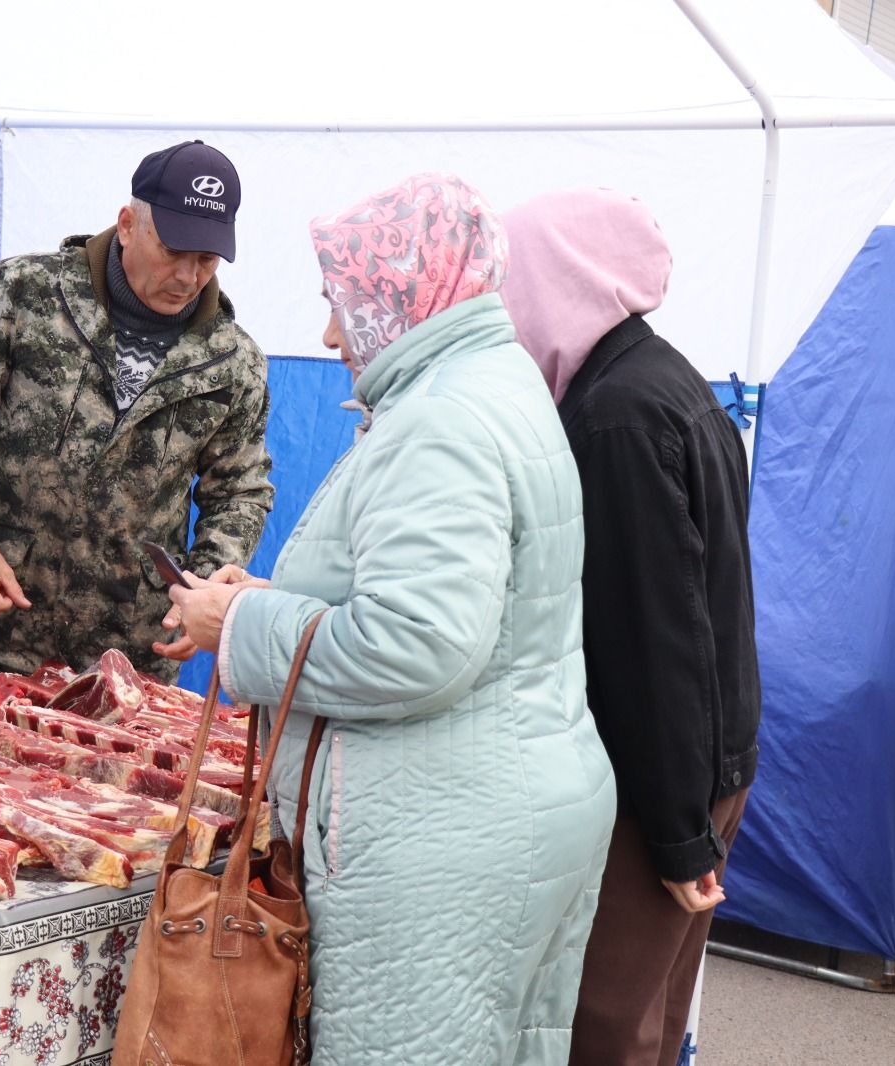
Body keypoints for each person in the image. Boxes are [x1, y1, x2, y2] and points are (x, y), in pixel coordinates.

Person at [165, 173, 616, 1065]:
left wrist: (240, 629)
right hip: (505, 801)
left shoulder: (440, 421)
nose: (330, 333)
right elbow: (452, 603)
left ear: (398, 295)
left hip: (438, 839)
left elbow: (417, 647)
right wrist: (262, 603)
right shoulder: (488, 383)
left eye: (342, 304)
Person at [500, 187, 760, 1066]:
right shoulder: (664, 380)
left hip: (662, 780)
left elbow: (658, 641)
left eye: (517, 280)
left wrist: (679, 833)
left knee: (605, 1024)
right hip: (706, 762)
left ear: (561, 280)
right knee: (650, 1017)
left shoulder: (615, 417)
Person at [0, 140, 273, 691]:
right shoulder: (24, 294)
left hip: (132, 657)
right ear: (128, 224)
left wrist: (202, 592)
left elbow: (239, 490)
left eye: (207, 258)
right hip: (4, 634)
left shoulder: (232, 360)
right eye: (175, 250)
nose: (188, 275)